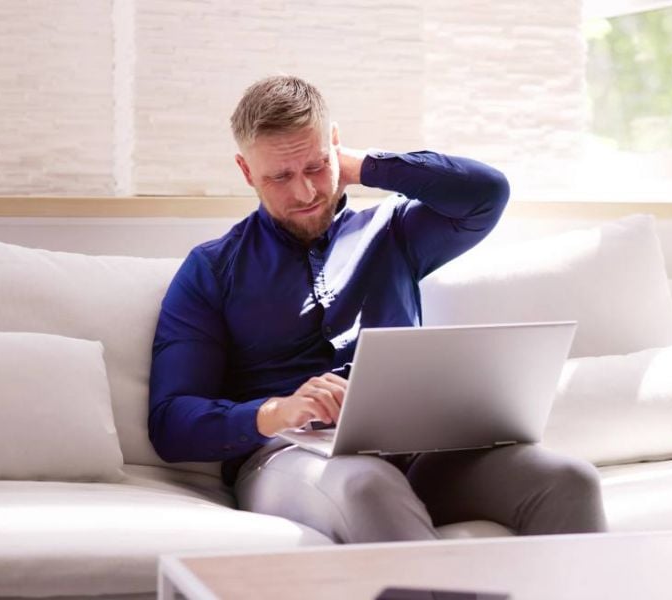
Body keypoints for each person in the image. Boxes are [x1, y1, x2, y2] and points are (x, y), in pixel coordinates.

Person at [149, 75, 607, 543]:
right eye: (280, 177)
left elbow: (486, 194)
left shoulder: (395, 232)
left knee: (568, 480)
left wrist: (362, 167)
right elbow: (170, 420)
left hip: (419, 452)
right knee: (370, 484)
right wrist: (278, 411)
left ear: (335, 146)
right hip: (287, 458)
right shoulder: (212, 268)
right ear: (247, 173)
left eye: (315, 166)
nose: (305, 193)